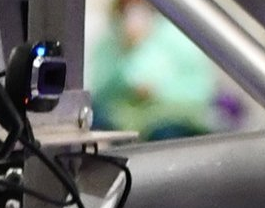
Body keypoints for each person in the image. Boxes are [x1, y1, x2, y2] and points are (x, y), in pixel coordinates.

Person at [88, 0, 226, 140]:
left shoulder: (177, 37)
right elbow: (100, 90)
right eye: (127, 10)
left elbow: (202, 89)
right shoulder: (109, 43)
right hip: (120, 124)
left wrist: (158, 91)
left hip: (169, 121)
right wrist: (125, 75)